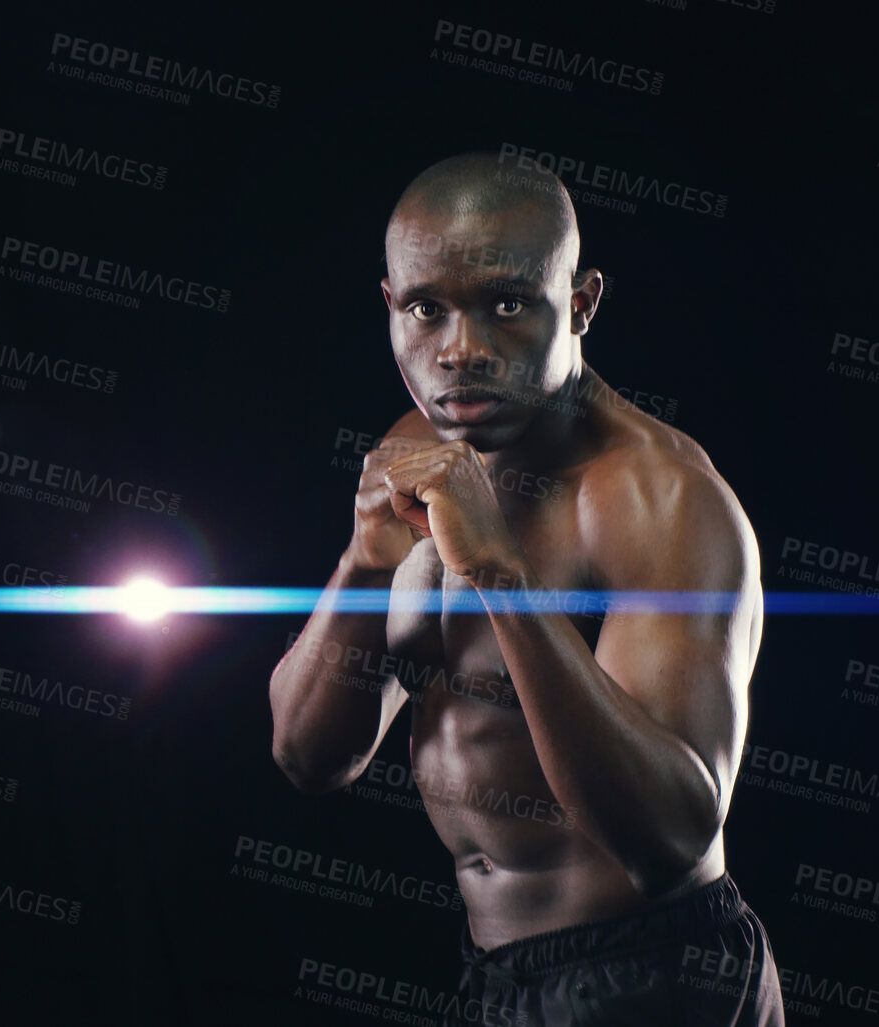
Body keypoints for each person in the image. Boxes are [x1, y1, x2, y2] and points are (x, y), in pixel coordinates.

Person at [268, 152, 783, 1025]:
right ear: (389, 305)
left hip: (655, 973)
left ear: (579, 303)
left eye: (506, 304)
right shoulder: (417, 447)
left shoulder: (658, 500)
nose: (460, 350)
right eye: (426, 309)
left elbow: (668, 839)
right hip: (496, 975)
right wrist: (362, 563)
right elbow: (309, 758)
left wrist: (498, 575)